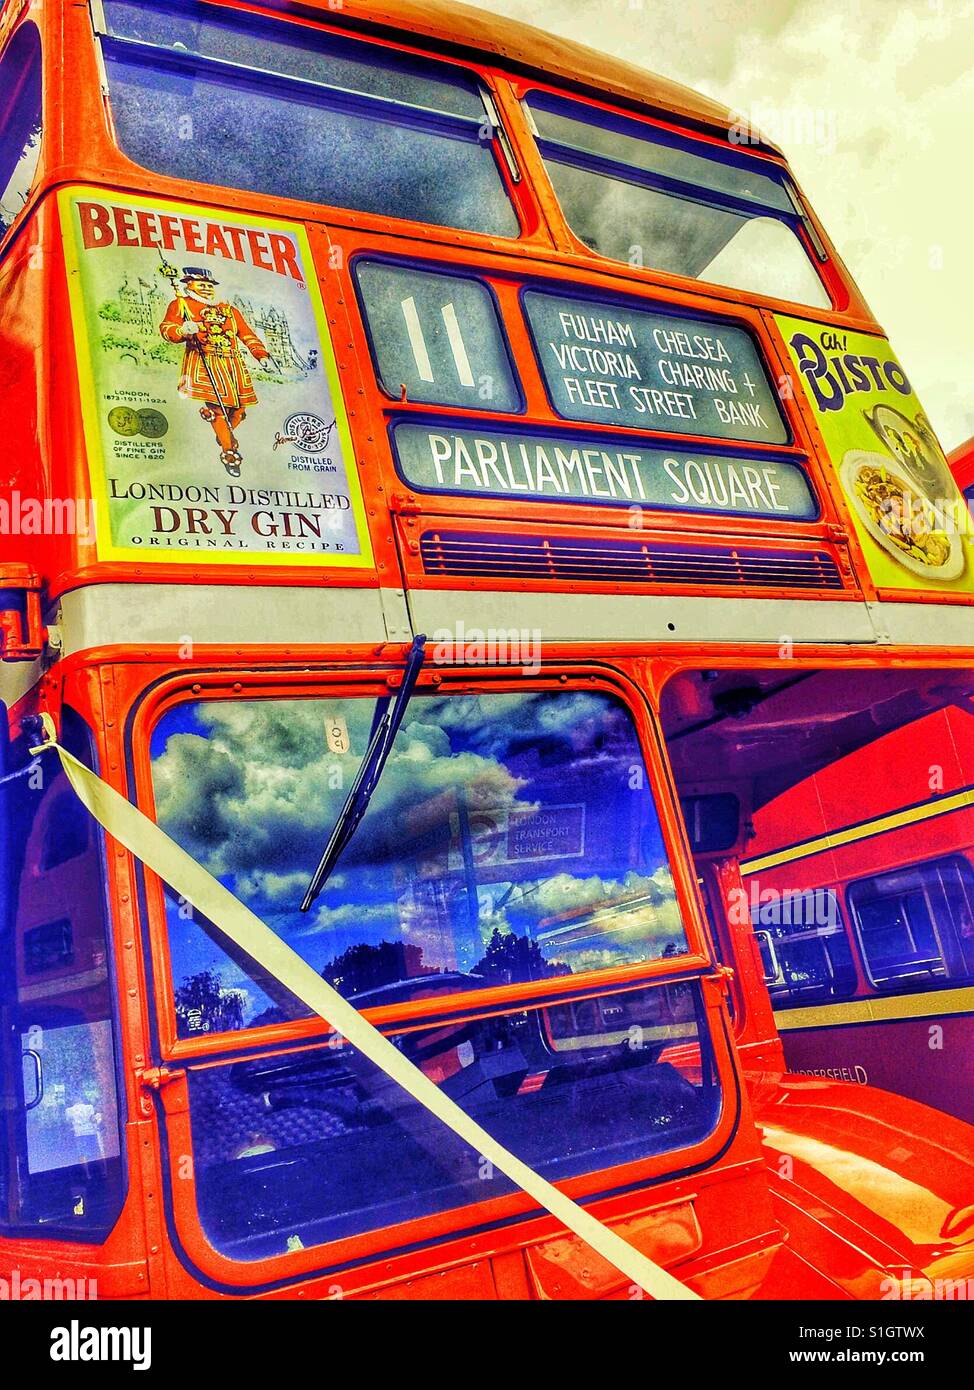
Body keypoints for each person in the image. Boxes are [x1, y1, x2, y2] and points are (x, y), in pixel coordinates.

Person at [160, 267, 271, 476]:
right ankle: (229, 453)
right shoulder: (181, 305)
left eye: (210, 285)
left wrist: (260, 354)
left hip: (233, 365)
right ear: (188, 285)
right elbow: (167, 328)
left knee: (239, 412)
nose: (207, 289)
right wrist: (183, 330)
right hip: (205, 362)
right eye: (201, 284)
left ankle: (224, 434)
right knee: (218, 411)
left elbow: (246, 334)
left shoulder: (229, 310)